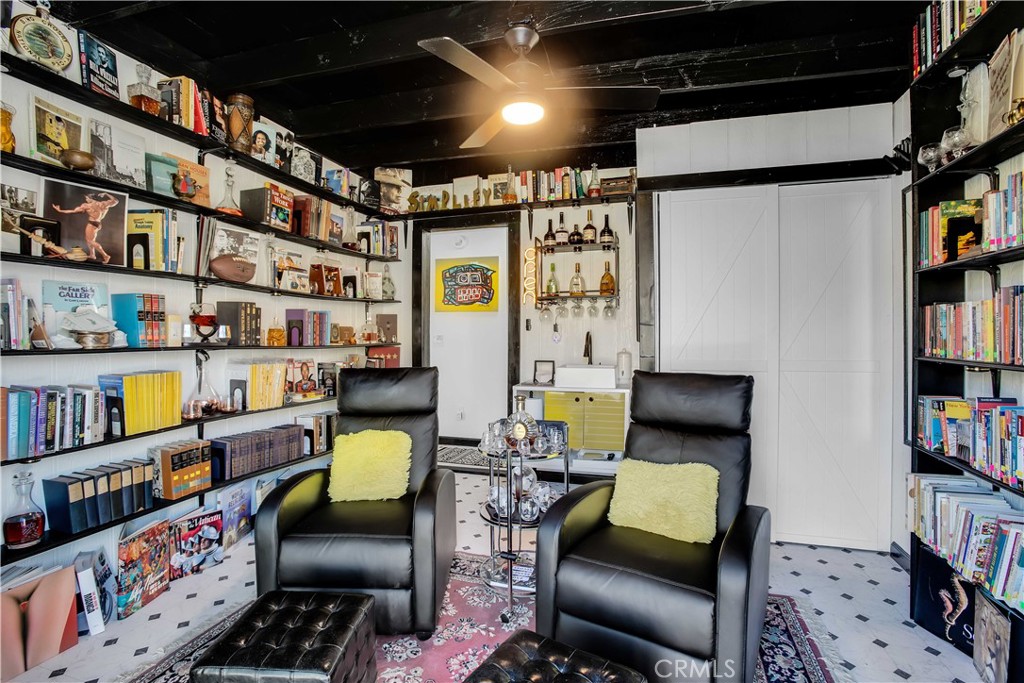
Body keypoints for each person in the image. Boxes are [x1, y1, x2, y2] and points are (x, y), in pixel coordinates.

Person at [50, 191, 119, 263]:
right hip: (98, 223)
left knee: (90, 241)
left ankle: (105, 255)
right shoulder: (103, 204)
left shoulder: (86, 205)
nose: (86, 199)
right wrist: (106, 194)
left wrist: (60, 210)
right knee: (90, 240)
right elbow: (115, 201)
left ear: (90, 198)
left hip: (92, 223)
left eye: (86, 198)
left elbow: (73, 211)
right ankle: (92, 254)